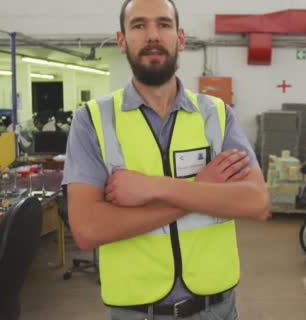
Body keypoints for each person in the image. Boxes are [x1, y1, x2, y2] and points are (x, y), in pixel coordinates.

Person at [62, 0, 270, 318]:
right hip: (137, 311)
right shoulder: (93, 120)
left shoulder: (216, 114)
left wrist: (153, 187)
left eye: (163, 24)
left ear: (180, 38)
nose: (152, 35)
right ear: (122, 41)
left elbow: (255, 202)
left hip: (216, 308)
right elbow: (88, 229)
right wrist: (201, 191)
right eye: (139, 25)